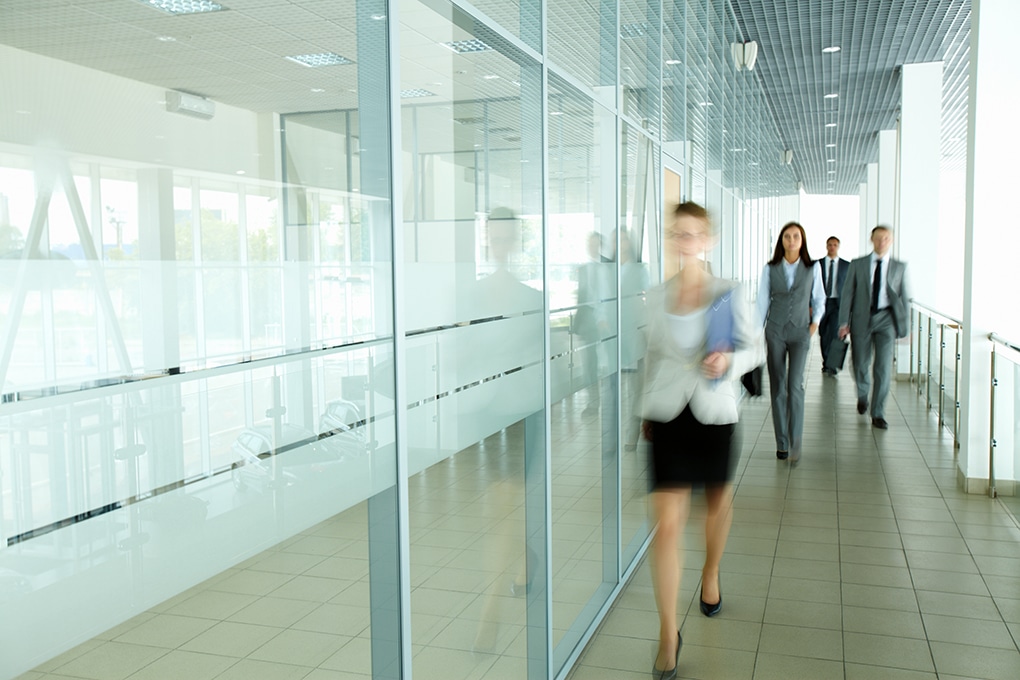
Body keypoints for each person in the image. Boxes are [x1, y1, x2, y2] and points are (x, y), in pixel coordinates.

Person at [640, 202, 762, 680]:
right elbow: (648, 358)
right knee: (666, 526)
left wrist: (728, 363)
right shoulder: (655, 296)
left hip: (713, 411)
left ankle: (711, 573)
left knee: (717, 502)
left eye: (694, 234)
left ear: (708, 239)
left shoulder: (729, 292)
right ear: (671, 239)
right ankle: (668, 633)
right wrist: (641, 416)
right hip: (667, 414)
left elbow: (756, 348)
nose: (686, 241)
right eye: (678, 233)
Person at [756, 221, 825, 461]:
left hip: (800, 332)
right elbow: (762, 301)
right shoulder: (770, 268)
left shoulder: (812, 267)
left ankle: (796, 441)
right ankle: (782, 443)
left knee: (795, 385)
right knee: (778, 387)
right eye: (787, 236)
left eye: (796, 236)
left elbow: (819, 298)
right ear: (781, 240)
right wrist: (757, 331)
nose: (792, 240)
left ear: (802, 240)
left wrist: (814, 322)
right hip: (774, 330)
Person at [838, 225, 910, 429]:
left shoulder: (899, 267)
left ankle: (878, 412)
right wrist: (844, 323)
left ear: (892, 240)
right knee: (860, 362)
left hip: (886, 320)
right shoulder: (858, 264)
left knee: (883, 367)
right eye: (878, 238)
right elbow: (847, 295)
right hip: (862, 318)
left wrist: (906, 328)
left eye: (886, 239)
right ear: (871, 239)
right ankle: (863, 393)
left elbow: (905, 298)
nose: (882, 242)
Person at [817, 236, 849, 375]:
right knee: (824, 333)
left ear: (838, 246)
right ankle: (826, 362)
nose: (832, 247)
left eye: (835, 245)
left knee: (836, 334)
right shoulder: (817, 264)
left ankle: (833, 365)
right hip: (822, 302)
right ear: (826, 246)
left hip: (838, 303)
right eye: (830, 244)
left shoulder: (846, 265)